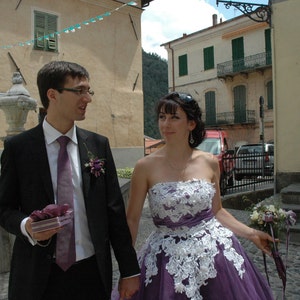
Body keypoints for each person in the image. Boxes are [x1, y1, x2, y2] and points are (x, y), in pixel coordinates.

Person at [112, 92, 275, 299]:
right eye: (162, 117)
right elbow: (132, 219)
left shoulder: (209, 162)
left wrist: (251, 234)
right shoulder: (145, 166)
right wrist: (128, 270)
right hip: (166, 260)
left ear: (191, 124)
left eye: (174, 118)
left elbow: (218, 211)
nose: (166, 124)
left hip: (214, 256)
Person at [0, 61, 140, 300]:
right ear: (52, 95)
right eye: (79, 91)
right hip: (36, 276)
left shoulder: (98, 145)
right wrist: (27, 226)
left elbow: (114, 213)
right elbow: (3, 208)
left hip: (91, 274)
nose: (88, 98)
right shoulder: (18, 148)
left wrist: (129, 270)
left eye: (89, 91)